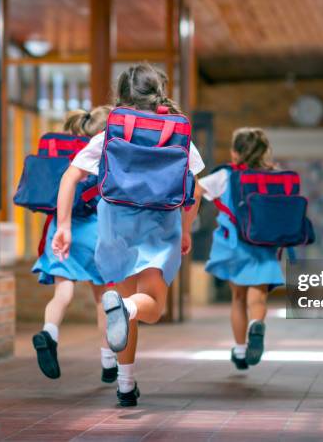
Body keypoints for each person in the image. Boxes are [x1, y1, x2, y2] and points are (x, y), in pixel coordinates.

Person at [52, 63, 205, 406]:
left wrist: (63, 226)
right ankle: (125, 309)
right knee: (149, 306)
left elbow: (70, 177)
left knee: (123, 303)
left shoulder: (110, 132)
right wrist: (184, 227)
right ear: (159, 90)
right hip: (160, 224)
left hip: (115, 223)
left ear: (121, 93)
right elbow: (195, 187)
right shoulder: (177, 131)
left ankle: (125, 384)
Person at [32, 106, 118, 383]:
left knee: (62, 293)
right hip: (95, 230)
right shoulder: (102, 151)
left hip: (62, 228)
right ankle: (108, 362)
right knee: (102, 298)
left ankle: (49, 332)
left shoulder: (67, 154)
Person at [194, 128, 284, 370]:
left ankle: (240, 349)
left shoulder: (225, 175)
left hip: (234, 244)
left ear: (235, 153)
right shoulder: (273, 174)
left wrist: (187, 222)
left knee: (238, 297)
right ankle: (257, 323)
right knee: (259, 296)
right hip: (264, 244)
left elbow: (196, 192)